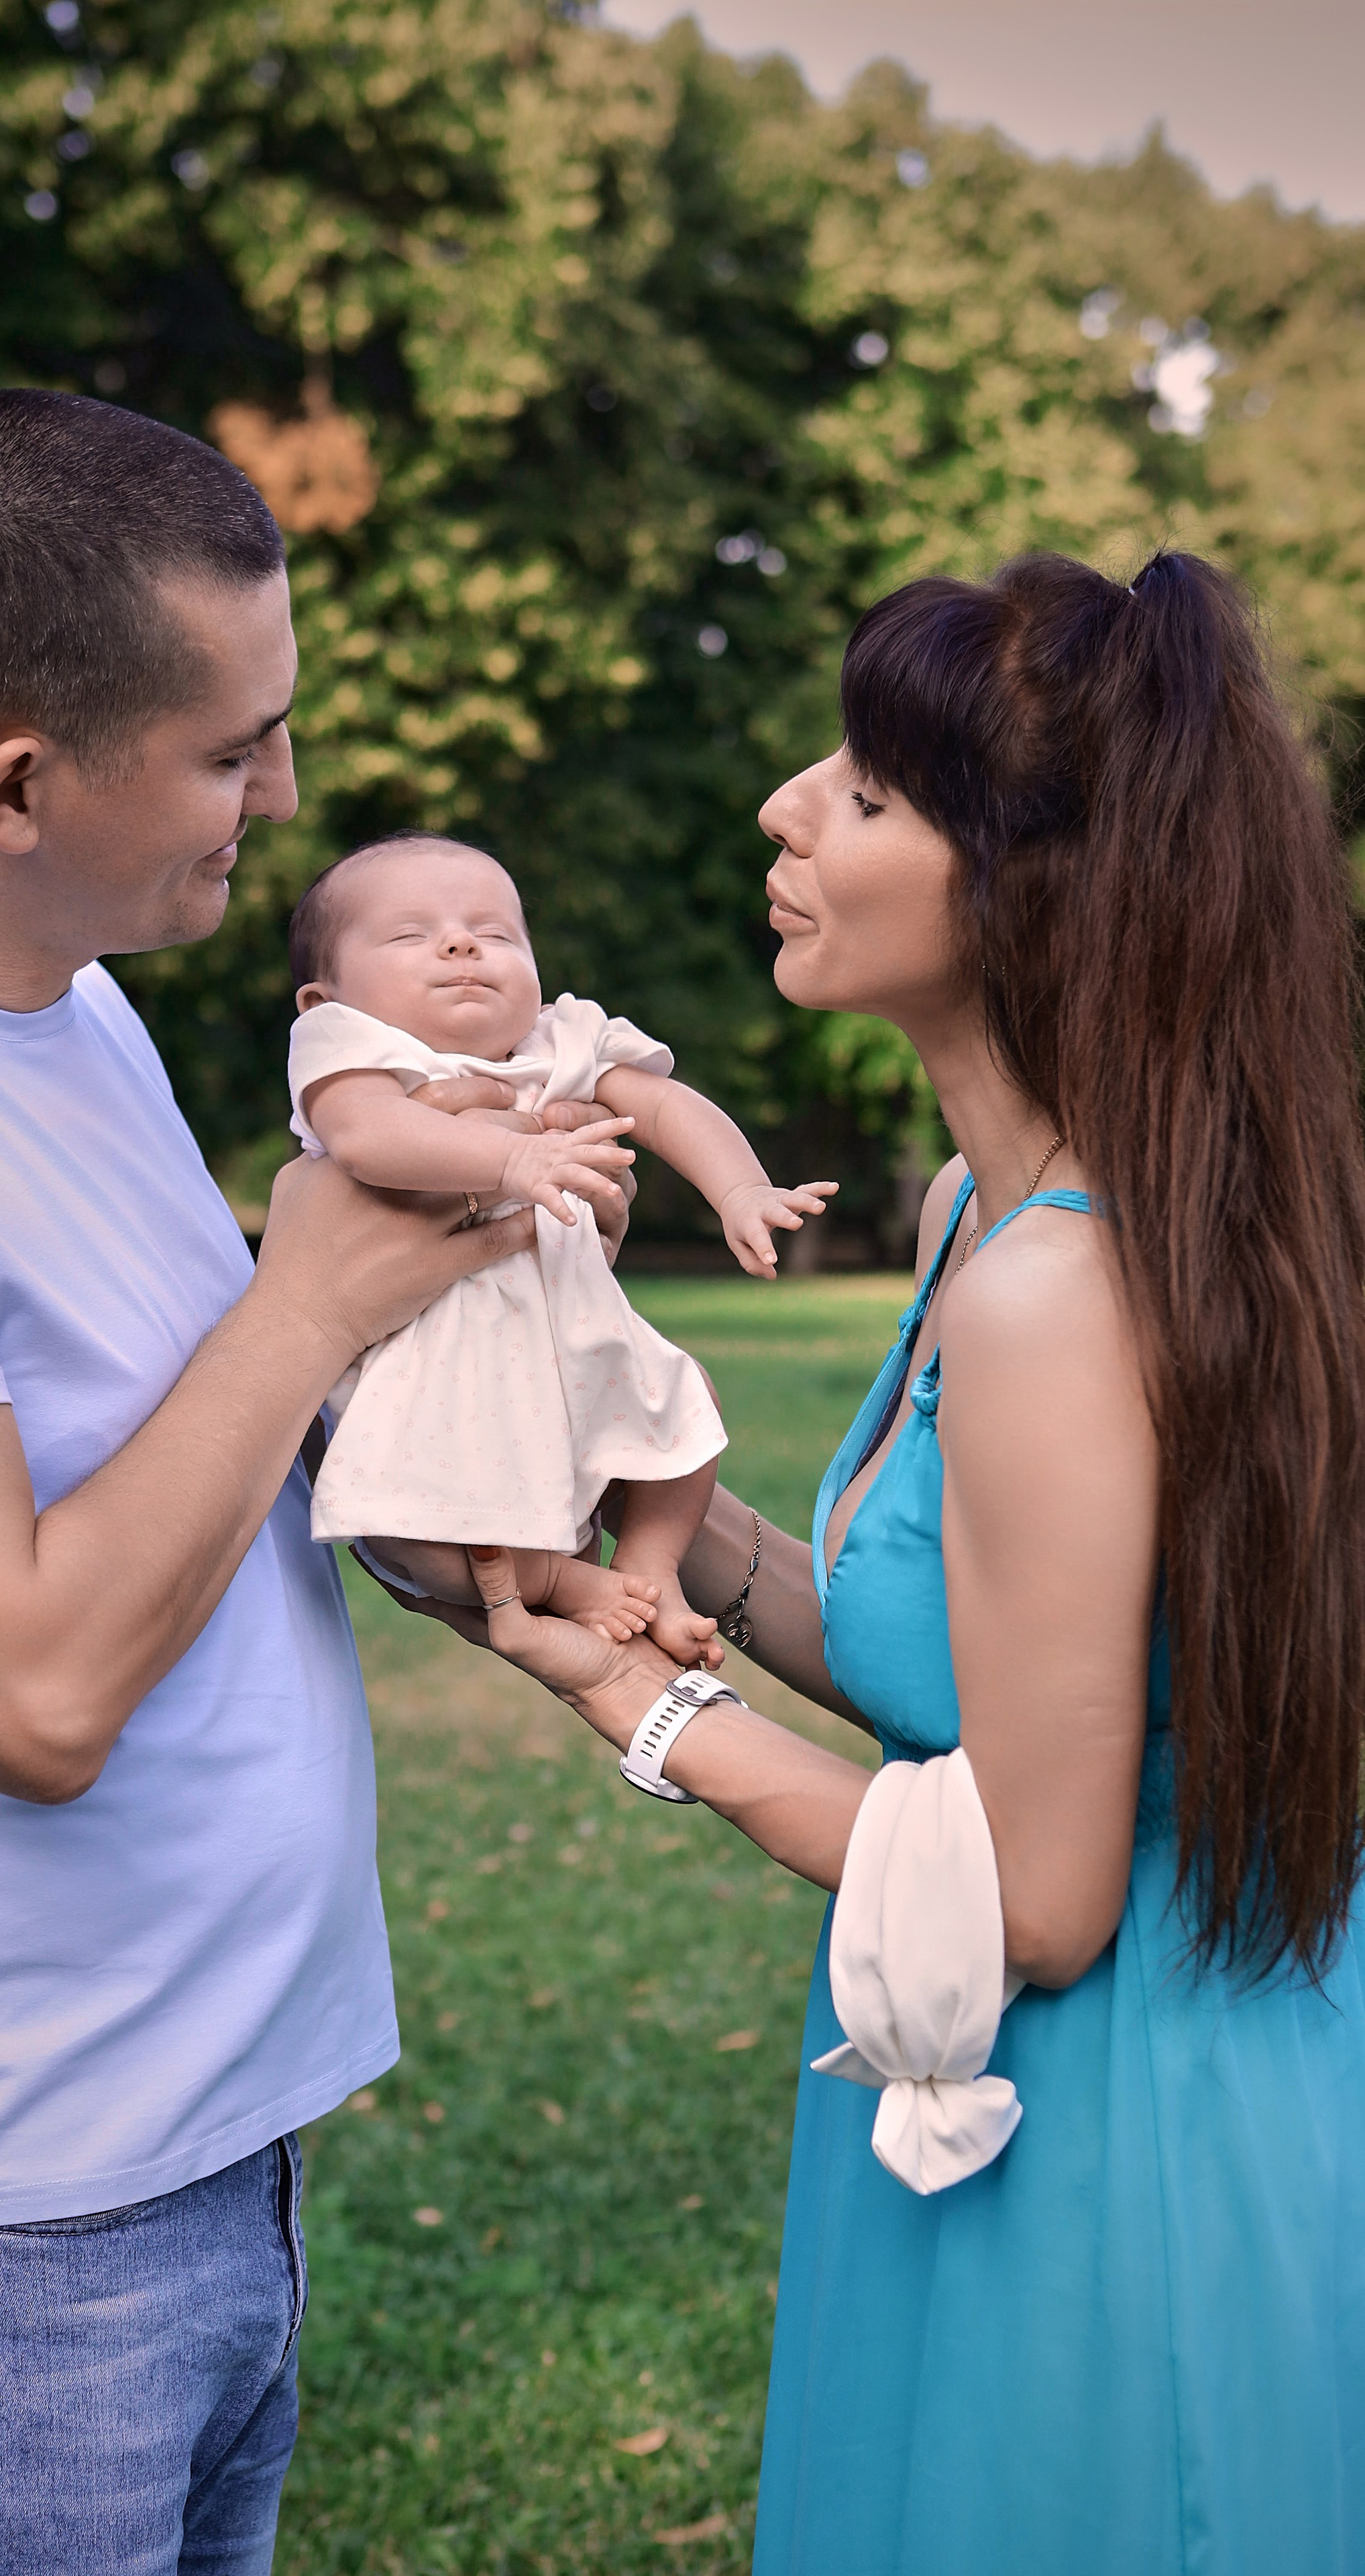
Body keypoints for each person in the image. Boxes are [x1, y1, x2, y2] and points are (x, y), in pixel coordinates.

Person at [0, 388, 627, 2574]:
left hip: (203, 2157)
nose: (280, 798)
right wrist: (309, 1299)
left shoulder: (77, 1006)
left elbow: (205, 1445)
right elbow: (26, 1694)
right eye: (228, 752)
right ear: (17, 784)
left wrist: (495, 1520)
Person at [427, 551, 1365, 2573]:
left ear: (1026, 889)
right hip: (1074, 2069)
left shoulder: (1054, 1291)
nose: (783, 804)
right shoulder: (975, 1213)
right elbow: (962, 1648)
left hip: (1124, 2117)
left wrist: (641, 1704)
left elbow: (1036, 1896)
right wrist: (601, 1498)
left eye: (861, 789)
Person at [286, 829, 834, 1664]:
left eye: (496, 932)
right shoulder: (356, 1055)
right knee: (412, 1536)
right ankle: (562, 1581)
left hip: (574, 1340)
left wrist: (740, 1190)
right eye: (409, 935)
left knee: (688, 1414)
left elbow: (665, 1108)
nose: (462, 945)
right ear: (323, 1001)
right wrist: (513, 1159)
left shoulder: (562, 1044)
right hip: (427, 1360)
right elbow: (365, 1138)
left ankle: (650, 1567)